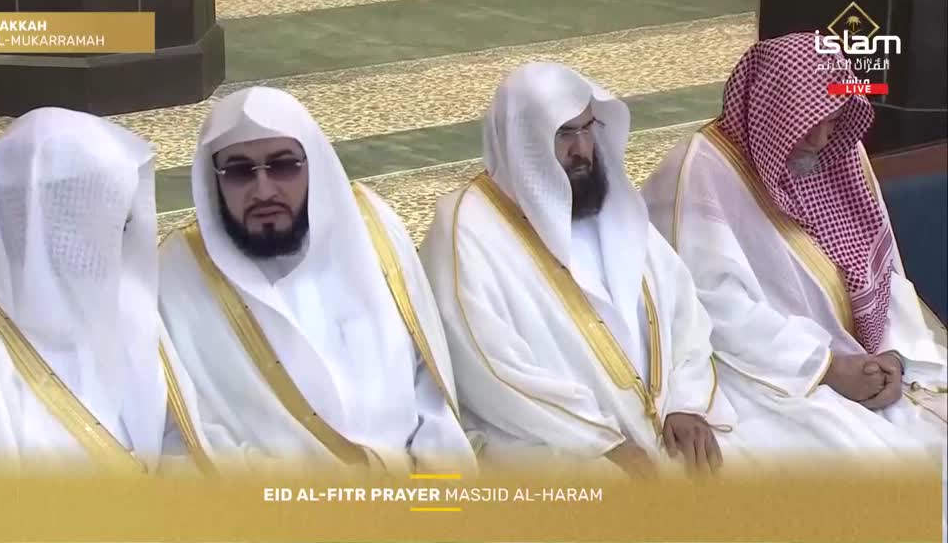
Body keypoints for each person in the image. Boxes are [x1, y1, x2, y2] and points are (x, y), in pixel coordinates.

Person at [419, 62, 758, 479]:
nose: (583, 149)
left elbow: (682, 312)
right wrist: (599, 441)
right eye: (564, 134)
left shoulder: (615, 207)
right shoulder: (465, 231)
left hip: (661, 426)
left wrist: (685, 403)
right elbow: (492, 372)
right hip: (545, 442)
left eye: (588, 128)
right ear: (525, 139)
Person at [641, 32, 946, 456]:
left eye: (835, 117)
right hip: (761, 369)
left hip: (867, 361)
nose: (822, 138)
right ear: (772, 110)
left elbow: (884, 270)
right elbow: (710, 305)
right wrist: (826, 366)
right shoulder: (700, 171)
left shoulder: (840, 153)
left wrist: (894, 358)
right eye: (808, 120)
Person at [157, 87, 476, 476]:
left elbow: (429, 378)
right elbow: (186, 435)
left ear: (314, 164)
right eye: (239, 172)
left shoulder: (370, 229)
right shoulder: (178, 272)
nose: (264, 190)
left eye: (284, 165)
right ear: (214, 182)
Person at [0, 108, 207, 474]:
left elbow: (176, 434)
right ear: (50, 223)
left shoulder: (124, 304)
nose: (122, 244)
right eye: (109, 223)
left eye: (124, 224)